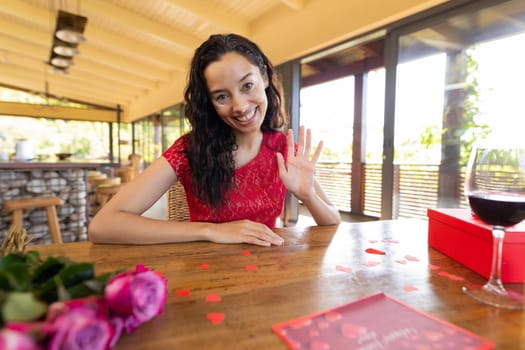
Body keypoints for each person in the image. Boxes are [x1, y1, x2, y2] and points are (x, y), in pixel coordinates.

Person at [89, 33, 341, 247]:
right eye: (222, 97)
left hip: (268, 274)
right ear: (209, 103)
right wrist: (209, 230)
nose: (240, 106)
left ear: (264, 77)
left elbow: (333, 221)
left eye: (247, 85)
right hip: (206, 274)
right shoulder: (189, 150)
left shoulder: (283, 149)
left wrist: (308, 196)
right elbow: (103, 226)